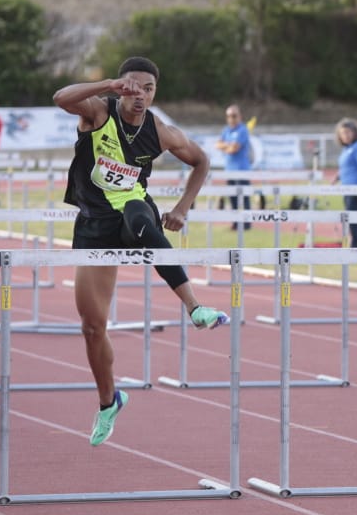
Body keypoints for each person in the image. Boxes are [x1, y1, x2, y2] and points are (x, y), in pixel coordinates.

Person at [53, 56, 228, 447]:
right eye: (133, 87)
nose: (139, 96)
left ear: (154, 93)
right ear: (121, 87)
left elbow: (201, 161)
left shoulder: (161, 132)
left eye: (147, 89)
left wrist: (183, 207)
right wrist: (106, 85)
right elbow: (61, 97)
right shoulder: (98, 113)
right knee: (92, 327)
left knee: (140, 215)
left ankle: (195, 307)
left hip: (134, 215)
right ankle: (108, 401)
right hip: (94, 227)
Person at [216, 104, 252, 229]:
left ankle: (247, 223)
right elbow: (218, 145)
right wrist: (228, 145)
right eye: (229, 116)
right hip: (229, 170)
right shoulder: (226, 130)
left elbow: (234, 149)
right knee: (233, 198)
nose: (231, 118)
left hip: (242, 170)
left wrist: (226, 146)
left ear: (240, 116)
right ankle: (235, 222)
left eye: (234, 116)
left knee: (244, 197)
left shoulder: (243, 130)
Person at [336, 118, 357, 248]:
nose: (346, 136)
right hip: (346, 189)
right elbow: (347, 167)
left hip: (356, 189)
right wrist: (336, 178)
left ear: (355, 132)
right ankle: (355, 246)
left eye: (348, 132)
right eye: (343, 133)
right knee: (351, 219)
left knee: (353, 219)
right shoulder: (347, 149)